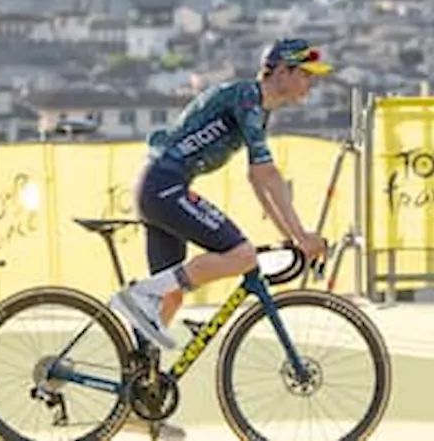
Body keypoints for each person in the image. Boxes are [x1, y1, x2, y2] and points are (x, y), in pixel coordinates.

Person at [109, 38, 332, 352]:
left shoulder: (257, 108)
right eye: (306, 74)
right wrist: (301, 235)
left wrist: (291, 236)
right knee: (243, 255)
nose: (312, 83)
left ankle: (138, 384)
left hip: (159, 186)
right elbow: (268, 174)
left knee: (171, 295)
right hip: (164, 186)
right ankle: (142, 294)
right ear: (281, 71)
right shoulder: (247, 101)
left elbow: (257, 179)